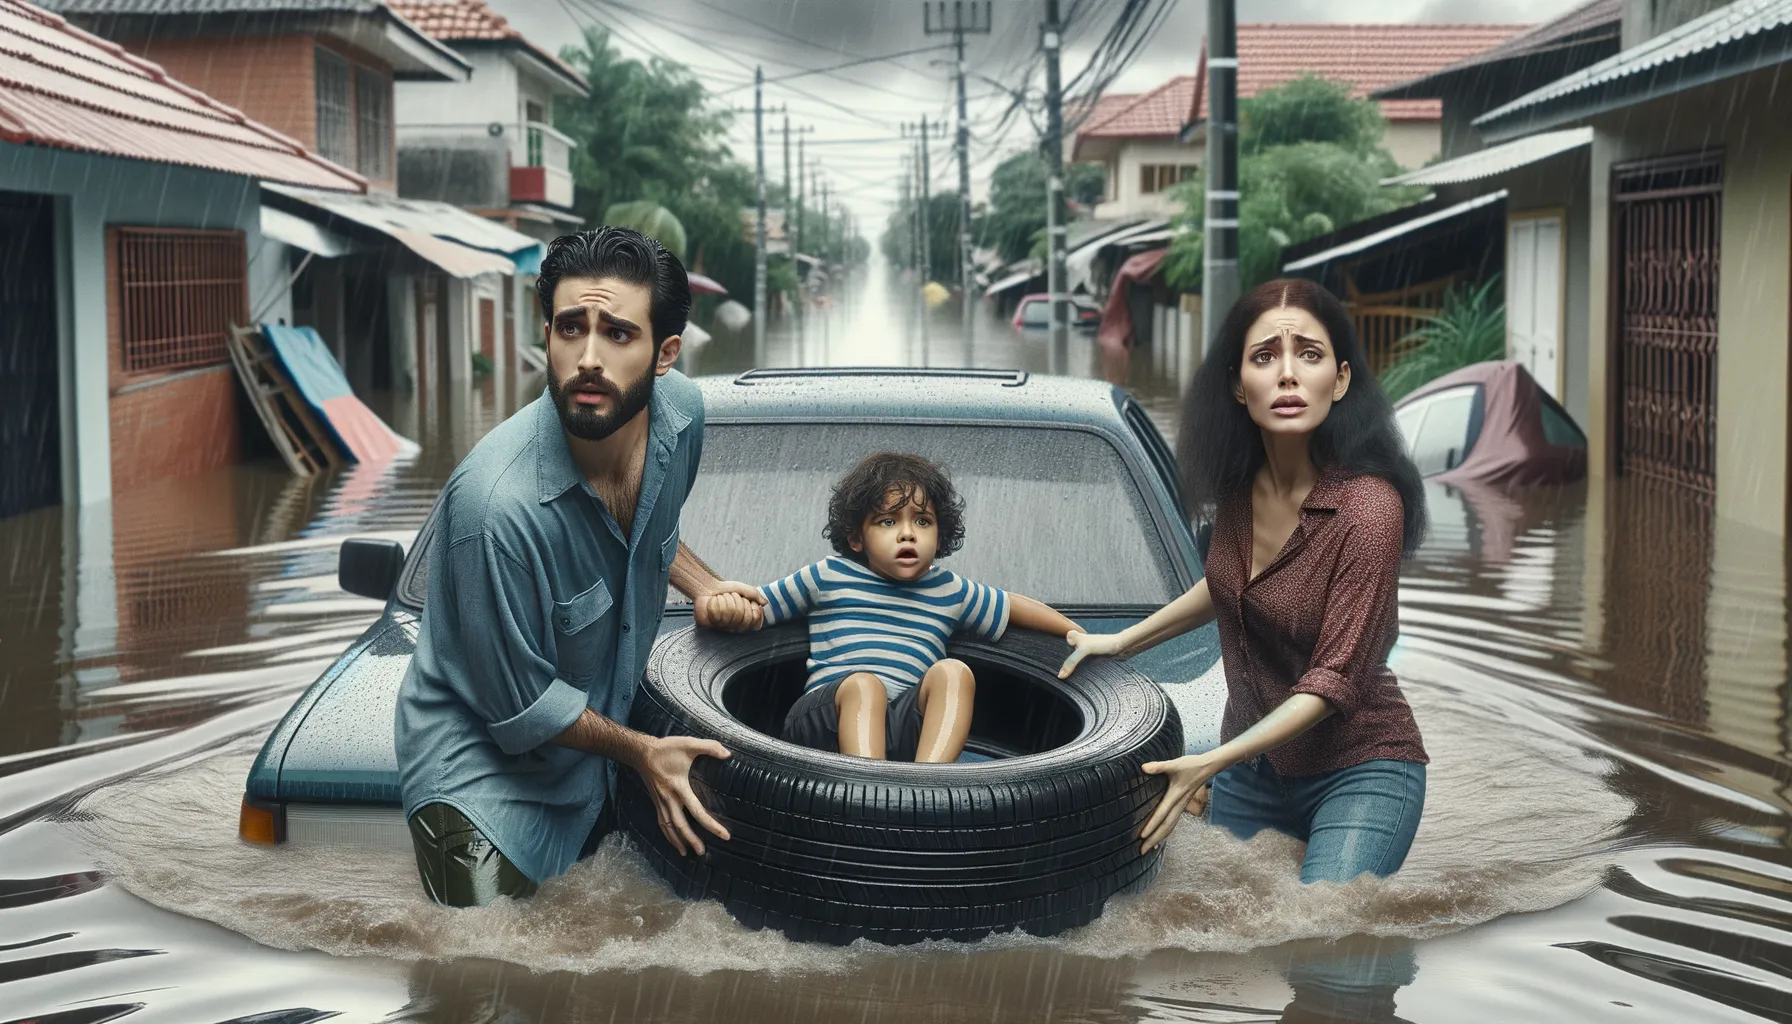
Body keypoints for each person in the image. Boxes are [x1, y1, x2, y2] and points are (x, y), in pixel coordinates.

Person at [394, 227, 764, 907]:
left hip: (600, 751)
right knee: (485, 960)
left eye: (618, 334)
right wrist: (642, 752)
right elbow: (524, 709)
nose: (588, 358)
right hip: (484, 787)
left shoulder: (682, 417)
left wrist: (703, 584)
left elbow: (645, 529)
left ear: (666, 353)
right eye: (571, 328)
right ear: (546, 337)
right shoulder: (495, 510)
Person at [1058, 277, 1429, 884]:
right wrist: (1120, 642)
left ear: (1339, 380)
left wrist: (1209, 762)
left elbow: (1332, 681)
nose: (1288, 375)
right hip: (1253, 773)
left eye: (1309, 354)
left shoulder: (1369, 510)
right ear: (1238, 384)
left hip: (1360, 769)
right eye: (1265, 357)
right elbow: (1227, 584)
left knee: (1325, 929)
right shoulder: (1238, 491)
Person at [705, 452, 1080, 762]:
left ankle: (927, 788)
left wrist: (1079, 635)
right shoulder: (827, 576)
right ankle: (870, 794)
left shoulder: (948, 590)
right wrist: (716, 607)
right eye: (887, 521)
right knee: (864, 686)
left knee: (954, 672)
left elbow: (1013, 606)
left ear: (940, 537)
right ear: (856, 537)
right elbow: (756, 608)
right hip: (822, 725)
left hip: (898, 732)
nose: (907, 533)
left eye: (923, 521)